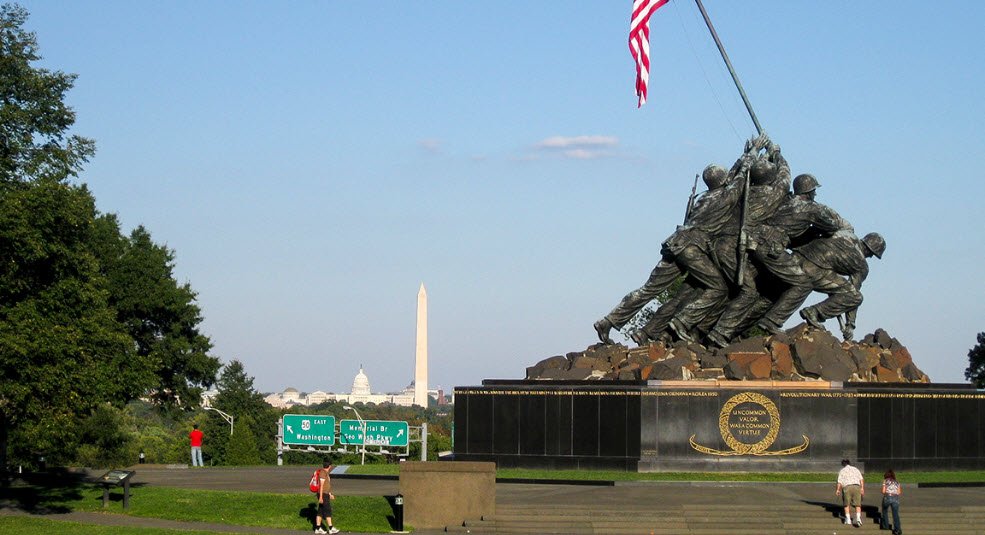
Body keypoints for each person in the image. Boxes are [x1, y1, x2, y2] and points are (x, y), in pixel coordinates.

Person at [836, 458, 865, 527]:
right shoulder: (855, 469)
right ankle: (858, 518)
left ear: (843, 464)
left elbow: (839, 482)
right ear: (849, 463)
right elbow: (861, 479)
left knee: (846, 504)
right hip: (857, 486)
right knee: (858, 504)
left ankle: (848, 519)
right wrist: (862, 488)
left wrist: (838, 490)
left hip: (847, 487)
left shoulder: (842, 470)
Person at [314, 461, 340, 534]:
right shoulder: (322, 473)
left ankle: (317, 528)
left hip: (325, 494)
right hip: (323, 494)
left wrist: (330, 494)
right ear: (330, 466)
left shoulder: (325, 473)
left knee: (320, 511)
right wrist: (321, 497)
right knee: (328, 510)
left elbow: (326, 486)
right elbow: (321, 486)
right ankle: (331, 528)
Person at [880, 469, 902, 534]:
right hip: (895, 498)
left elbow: (883, 491)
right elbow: (899, 492)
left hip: (887, 497)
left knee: (884, 511)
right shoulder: (897, 482)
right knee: (895, 514)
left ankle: (886, 526)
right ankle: (898, 529)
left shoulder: (885, 481)